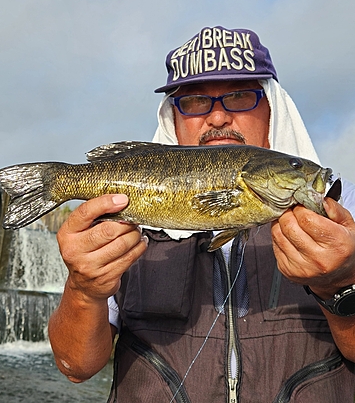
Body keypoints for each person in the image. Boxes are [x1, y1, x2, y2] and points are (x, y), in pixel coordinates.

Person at [48, 26, 355, 402]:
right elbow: (75, 366)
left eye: (240, 96)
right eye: (193, 102)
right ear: (172, 119)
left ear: (273, 108)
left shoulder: (345, 214)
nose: (218, 118)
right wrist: (83, 289)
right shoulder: (119, 221)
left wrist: (342, 285)